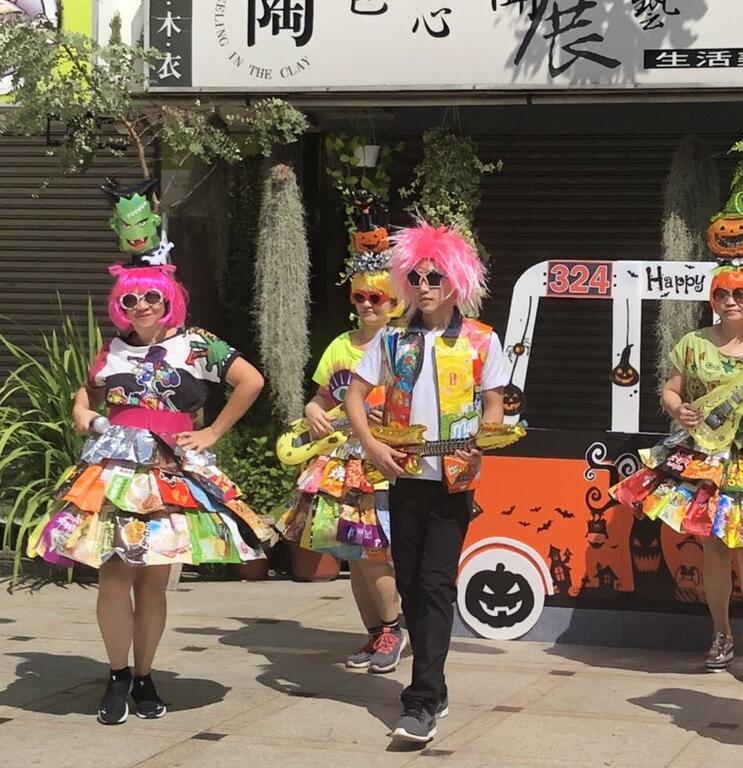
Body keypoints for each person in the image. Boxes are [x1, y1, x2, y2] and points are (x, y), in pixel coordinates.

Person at [27, 179, 270, 725]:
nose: (140, 307)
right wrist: (83, 414)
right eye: (130, 299)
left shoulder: (197, 344)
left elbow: (251, 380)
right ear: (120, 305)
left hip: (170, 471)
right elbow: (86, 394)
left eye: (151, 298)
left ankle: (144, 676)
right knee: (114, 573)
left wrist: (213, 433)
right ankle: (116, 676)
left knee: (154, 576)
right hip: (115, 470)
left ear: (168, 300)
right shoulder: (111, 350)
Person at [346, 221, 509, 744]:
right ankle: (433, 688)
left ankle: (420, 701)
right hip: (405, 474)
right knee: (411, 584)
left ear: (455, 280)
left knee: (436, 583)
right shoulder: (393, 338)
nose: (424, 285)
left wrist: (486, 436)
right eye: (415, 276)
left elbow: (495, 402)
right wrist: (373, 446)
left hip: (454, 481)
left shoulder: (481, 339)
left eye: (434, 276)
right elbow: (354, 395)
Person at [612, 250, 743, 680]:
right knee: (714, 548)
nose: (730, 301)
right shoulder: (692, 343)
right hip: (705, 455)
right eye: (721, 294)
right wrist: (679, 410)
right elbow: (670, 391)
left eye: (740, 294)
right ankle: (720, 633)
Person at [274, 230, 406, 675]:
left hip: (384, 463)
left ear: (394, 302)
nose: (367, 305)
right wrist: (313, 410)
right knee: (353, 553)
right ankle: (374, 634)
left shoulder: (404, 346)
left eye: (376, 298)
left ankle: (393, 629)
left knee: (375, 552)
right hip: (341, 463)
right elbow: (320, 398)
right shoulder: (340, 346)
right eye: (359, 297)